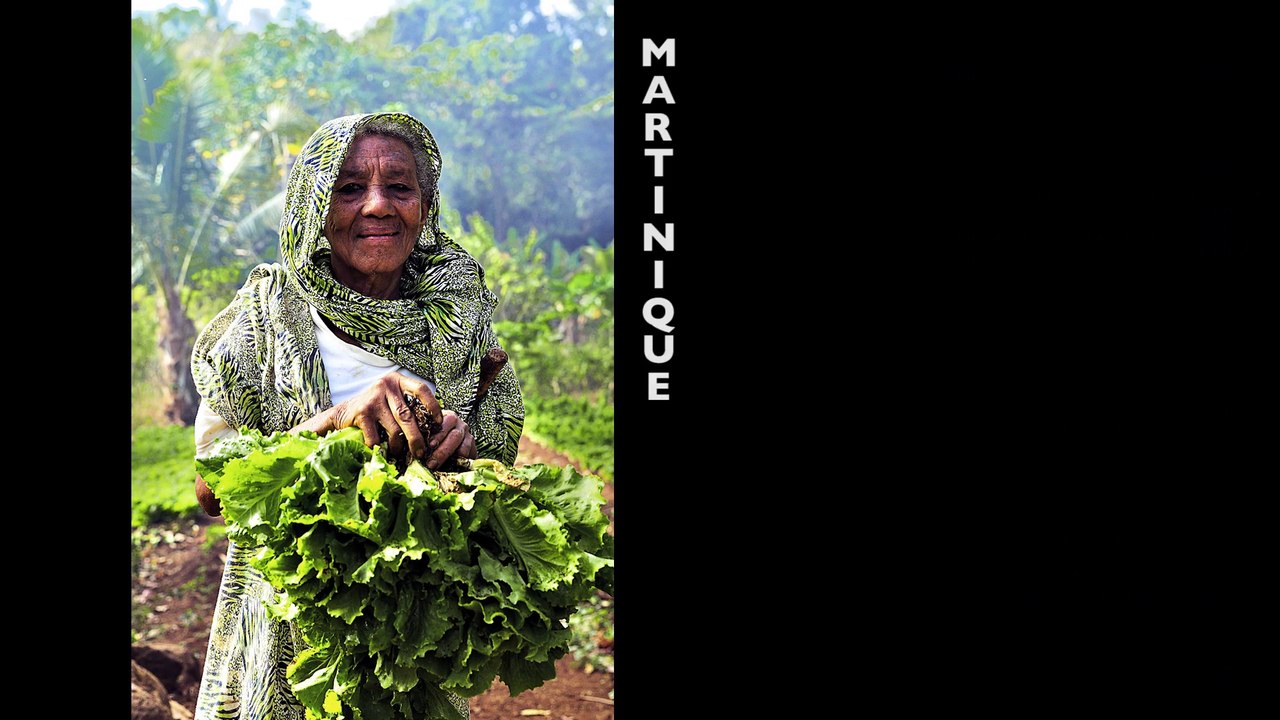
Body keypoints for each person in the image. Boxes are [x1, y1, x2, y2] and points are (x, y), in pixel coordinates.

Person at [189, 111, 524, 720]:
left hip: (418, 641)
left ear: (425, 204)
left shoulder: (457, 316)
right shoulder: (268, 316)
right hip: (292, 639)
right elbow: (212, 490)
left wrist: (466, 452)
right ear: (316, 204)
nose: (377, 206)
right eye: (349, 188)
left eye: (400, 187)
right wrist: (334, 424)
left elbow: (501, 466)